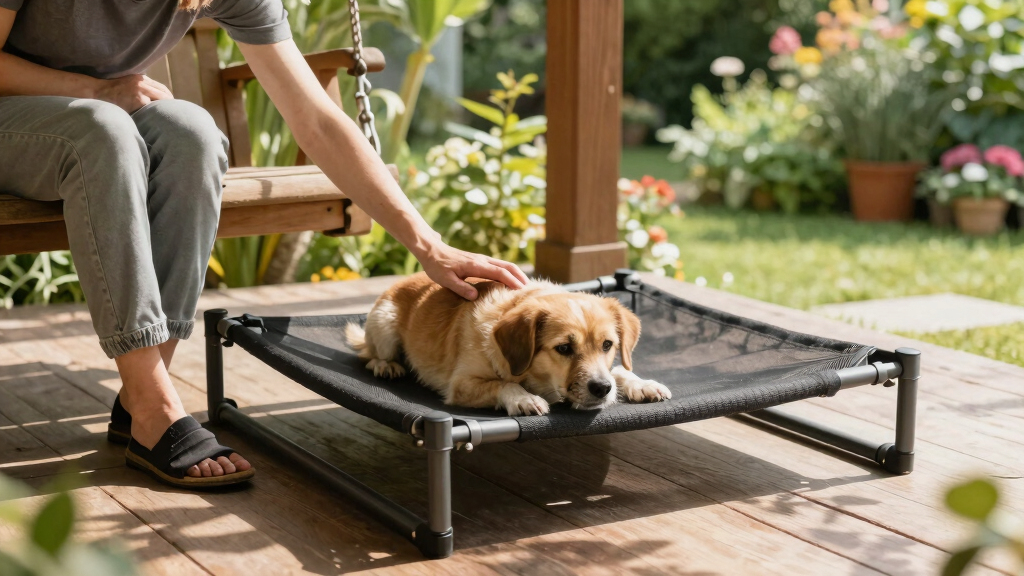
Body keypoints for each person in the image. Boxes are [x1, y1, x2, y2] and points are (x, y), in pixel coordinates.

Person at [0, 0, 527, 488]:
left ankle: (142, 394)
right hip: (23, 118)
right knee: (104, 127)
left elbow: (315, 117)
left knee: (192, 132)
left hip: (103, 118)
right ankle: (153, 404)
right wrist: (97, 91)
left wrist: (428, 245)